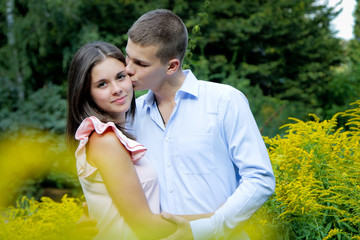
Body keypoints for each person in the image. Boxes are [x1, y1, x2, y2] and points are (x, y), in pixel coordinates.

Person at [125, 9, 276, 239]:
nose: (128, 69)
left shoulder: (225, 102)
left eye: (140, 63)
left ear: (171, 66)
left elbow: (260, 178)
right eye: (127, 57)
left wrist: (206, 230)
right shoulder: (130, 115)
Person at [65, 41, 211, 239]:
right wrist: (222, 218)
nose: (117, 89)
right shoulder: (105, 139)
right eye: (102, 84)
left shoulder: (120, 131)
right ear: (86, 93)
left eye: (120, 76)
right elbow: (145, 225)